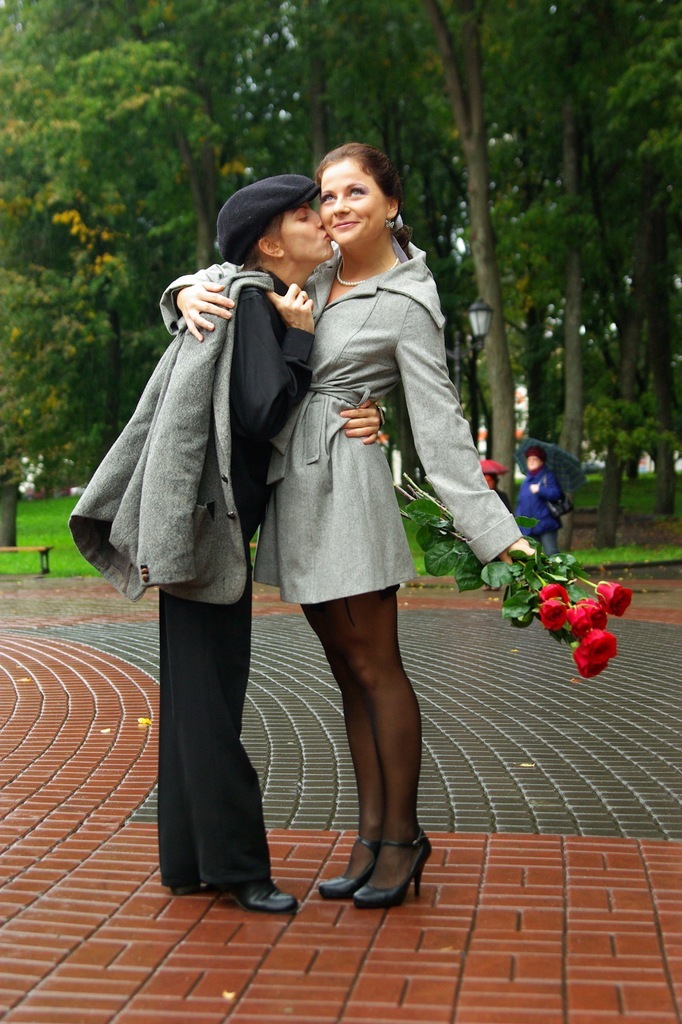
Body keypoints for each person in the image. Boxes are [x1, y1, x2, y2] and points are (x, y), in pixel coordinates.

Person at [170, 143, 534, 911]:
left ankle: (402, 838)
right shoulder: (317, 271)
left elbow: (441, 429)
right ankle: (370, 837)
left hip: (348, 489)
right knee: (345, 671)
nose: (336, 207)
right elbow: (236, 279)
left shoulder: (409, 303)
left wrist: (498, 535)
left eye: (354, 192)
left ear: (390, 203)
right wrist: (182, 292)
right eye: (327, 194)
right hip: (295, 492)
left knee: (377, 667)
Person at [70, 174, 381, 915]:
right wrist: (299, 339)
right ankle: (239, 868)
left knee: (194, 701)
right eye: (305, 214)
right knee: (211, 705)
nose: (322, 220)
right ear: (270, 243)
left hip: (198, 522)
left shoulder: (243, 294)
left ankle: (189, 862)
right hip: (208, 527)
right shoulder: (253, 304)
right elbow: (262, 410)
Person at [514, 444, 562, 555]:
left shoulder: (548, 476)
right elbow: (520, 503)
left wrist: (540, 489)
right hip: (529, 528)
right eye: (529, 459)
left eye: (534, 459)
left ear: (541, 461)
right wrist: (519, 523)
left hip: (546, 525)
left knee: (551, 553)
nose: (531, 461)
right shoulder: (526, 481)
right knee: (534, 556)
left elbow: (556, 494)